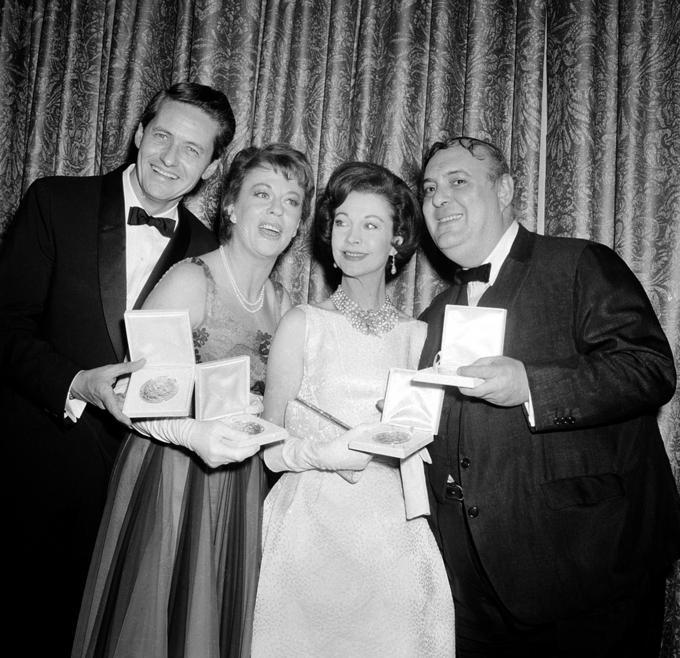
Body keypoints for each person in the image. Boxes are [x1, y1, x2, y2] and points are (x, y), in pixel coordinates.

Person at [417, 135, 680, 657]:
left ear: (507, 190)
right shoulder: (431, 316)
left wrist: (532, 385)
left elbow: (650, 369)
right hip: (469, 590)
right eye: (428, 189)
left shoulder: (580, 264)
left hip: (590, 573)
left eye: (457, 182)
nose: (438, 199)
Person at [0, 81, 234, 656]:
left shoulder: (209, 254)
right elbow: (3, 324)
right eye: (162, 137)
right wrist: (76, 384)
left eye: (193, 150)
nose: (171, 158)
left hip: (133, 494)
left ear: (209, 168)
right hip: (30, 474)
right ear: (138, 134)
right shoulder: (56, 200)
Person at [71, 143, 315, 658]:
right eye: (262, 194)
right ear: (230, 205)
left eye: (291, 202)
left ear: (299, 223)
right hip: (173, 476)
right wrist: (193, 432)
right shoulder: (190, 278)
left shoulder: (287, 306)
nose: (276, 211)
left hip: (245, 485)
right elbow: (135, 392)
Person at [251, 161, 455, 657]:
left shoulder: (419, 337)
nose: (353, 237)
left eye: (371, 224)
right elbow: (268, 448)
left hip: (394, 537)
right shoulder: (302, 323)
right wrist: (325, 454)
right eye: (342, 221)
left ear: (397, 240)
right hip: (309, 531)